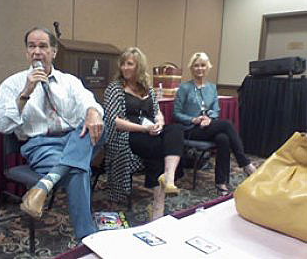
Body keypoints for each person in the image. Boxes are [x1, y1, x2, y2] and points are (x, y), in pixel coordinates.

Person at [0, 27, 104, 240]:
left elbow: (88, 101)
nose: (36, 51)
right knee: (79, 171)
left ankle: (45, 185)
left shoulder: (70, 82)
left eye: (43, 46)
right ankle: (87, 239)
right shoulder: (12, 84)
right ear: (26, 52)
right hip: (40, 145)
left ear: (54, 51)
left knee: (99, 121)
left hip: (73, 139)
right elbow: (1, 124)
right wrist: (25, 94)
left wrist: (92, 112)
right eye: (31, 46)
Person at [103, 47, 184, 220]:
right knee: (158, 147)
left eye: (129, 64)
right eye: (123, 64)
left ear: (139, 66)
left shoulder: (148, 88)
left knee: (176, 129)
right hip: (127, 135)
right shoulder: (115, 88)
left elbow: (157, 112)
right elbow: (114, 121)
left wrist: (160, 122)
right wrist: (144, 129)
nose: (125, 68)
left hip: (150, 131)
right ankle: (158, 205)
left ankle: (168, 178)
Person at [173, 52, 256, 196]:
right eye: (196, 66)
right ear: (191, 68)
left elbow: (215, 109)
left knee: (223, 139)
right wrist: (193, 119)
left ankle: (220, 182)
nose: (200, 68)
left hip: (207, 127)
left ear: (208, 67)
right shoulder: (184, 88)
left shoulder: (211, 88)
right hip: (191, 129)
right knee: (227, 125)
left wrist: (209, 118)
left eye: (203, 65)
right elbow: (177, 113)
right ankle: (244, 163)